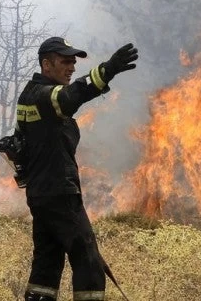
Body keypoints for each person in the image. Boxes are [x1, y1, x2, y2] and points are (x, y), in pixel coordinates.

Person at [19, 36, 138, 301]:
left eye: (74, 62)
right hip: (60, 193)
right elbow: (75, 94)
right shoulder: (46, 96)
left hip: (39, 195)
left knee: (47, 264)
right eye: (65, 61)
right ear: (46, 65)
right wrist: (108, 69)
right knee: (88, 259)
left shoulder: (27, 96)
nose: (72, 67)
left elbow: (19, 145)